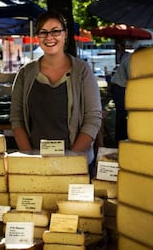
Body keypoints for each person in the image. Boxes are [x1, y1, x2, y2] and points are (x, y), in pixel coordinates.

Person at [10, 11, 102, 167]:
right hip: (36, 162)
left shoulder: (82, 71)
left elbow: (92, 118)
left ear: (65, 34)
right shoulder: (25, 73)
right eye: (43, 32)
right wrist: (30, 159)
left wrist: (72, 159)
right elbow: (16, 117)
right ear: (37, 37)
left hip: (76, 162)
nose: (49, 37)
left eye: (55, 31)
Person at [110, 46, 145, 145]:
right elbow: (133, 77)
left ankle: (124, 137)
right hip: (119, 87)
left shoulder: (135, 60)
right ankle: (120, 140)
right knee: (122, 113)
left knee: (126, 113)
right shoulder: (132, 60)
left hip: (124, 87)